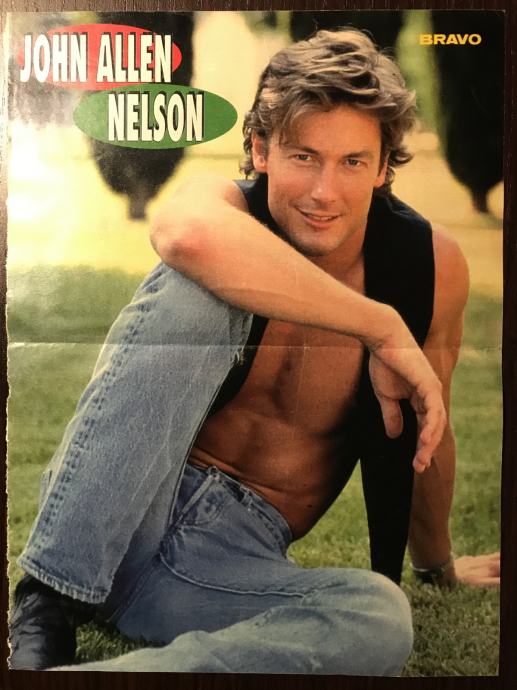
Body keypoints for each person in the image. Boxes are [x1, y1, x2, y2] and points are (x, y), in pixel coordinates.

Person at [9, 28, 499, 674]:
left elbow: (428, 424)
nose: (323, 192)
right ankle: (47, 604)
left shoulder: (429, 268)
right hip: (120, 507)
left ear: (384, 167)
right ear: (261, 149)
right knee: (200, 287)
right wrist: (378, 326)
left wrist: (436, 565)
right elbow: (183, 235)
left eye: (353, 162)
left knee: (381, 616)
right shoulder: (222, 211)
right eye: (303, 156)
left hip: (224, 567)